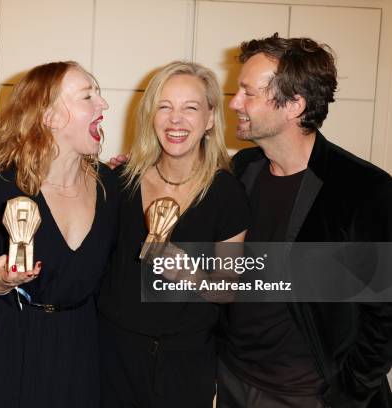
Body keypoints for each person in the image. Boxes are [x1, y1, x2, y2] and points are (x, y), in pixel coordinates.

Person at [218, 34, 392, 408]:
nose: (234, 103)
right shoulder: (242, 169)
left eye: (249, 93)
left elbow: (385, 315)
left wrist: (346, 395)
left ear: (294, 105)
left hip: (306, 395)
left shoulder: (364, 189)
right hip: (233, 379)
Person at [0, 61, 118, 408]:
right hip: (6, 353)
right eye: (87, 96)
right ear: (48, 116)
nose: (103, 105)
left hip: (81, 356)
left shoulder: (111, 189)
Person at [97, 61, 249, 408]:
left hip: (186, 364)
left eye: (190, 108)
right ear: (151, 115)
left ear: (210, 119)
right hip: (113, 354)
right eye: (164, 106)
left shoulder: (226, 193)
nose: (175, 119)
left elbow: (228, 289)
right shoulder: (121, 182)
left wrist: (189, 274)